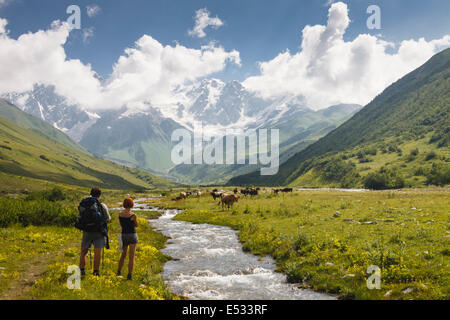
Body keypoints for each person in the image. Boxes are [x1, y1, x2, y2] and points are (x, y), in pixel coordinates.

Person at [78, 187, 111, 277]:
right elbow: (108, 219)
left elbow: (80, 217)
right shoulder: (102, 205)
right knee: (97, 252)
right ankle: (96, 272)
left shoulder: (84, 204)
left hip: (86, 231)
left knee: (83, 251)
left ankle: (82, 270)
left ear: (91, 193)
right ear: (99, 195)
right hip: (98, 231)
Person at [117, 198, 139, 281]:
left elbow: (121, 224)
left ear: (124, 204)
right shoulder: (133, 215)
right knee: (131, 256)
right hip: (132, 235)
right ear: (132, 204)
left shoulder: (120, 214)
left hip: (124, 235)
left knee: (123, 254)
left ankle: (119, 271)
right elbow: (136, 225)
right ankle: (129, 275)